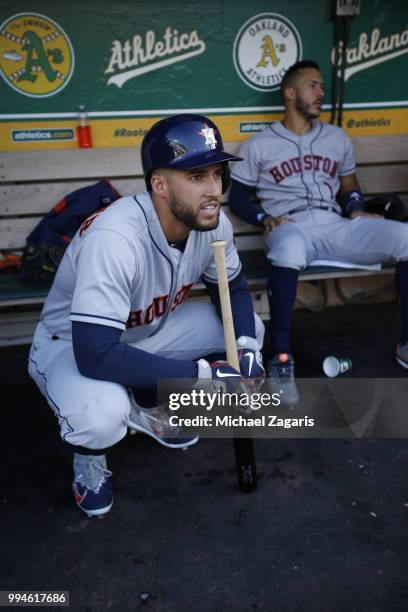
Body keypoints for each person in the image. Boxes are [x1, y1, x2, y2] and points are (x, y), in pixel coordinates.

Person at [28, 114, 265, 517]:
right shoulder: (116, 239)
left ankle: (148, 401)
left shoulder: (211, 222)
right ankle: (90, 460)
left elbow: (236, 290)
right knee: (101, 416)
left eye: (217, 174)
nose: (213, 190)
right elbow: (96, 355)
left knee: (251, 328)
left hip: (144, 332)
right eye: (196, 176)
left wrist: (244, 351)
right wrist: (204, 377)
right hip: (70, 346)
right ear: (159, 184)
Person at [229, 60, 408, 404]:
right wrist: (265, 217)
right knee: (289, 249)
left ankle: (407, 343)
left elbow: (350, 187)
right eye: (313, 86)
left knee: (404, 237)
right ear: (290, 93)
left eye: (322, 86)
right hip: (290, 224)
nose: (321, 93)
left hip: (336, 223)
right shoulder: (260, 144)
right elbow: (237, 198)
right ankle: (280, 358)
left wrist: (357, 208)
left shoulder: (336, 137)